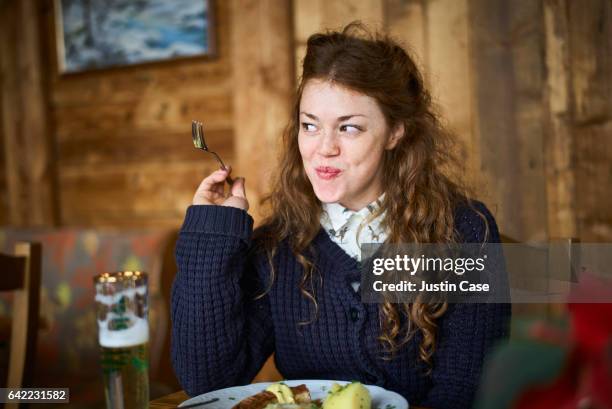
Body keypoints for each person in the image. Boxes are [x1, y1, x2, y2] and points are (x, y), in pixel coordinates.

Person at [171, 22, 511, 409]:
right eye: (309, 125)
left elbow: (467, 390)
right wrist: (212, 234)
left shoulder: (462, 230)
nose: (323, 149)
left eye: (349, 128)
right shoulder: (278, 246)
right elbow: (207, 383)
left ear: (395, 132)